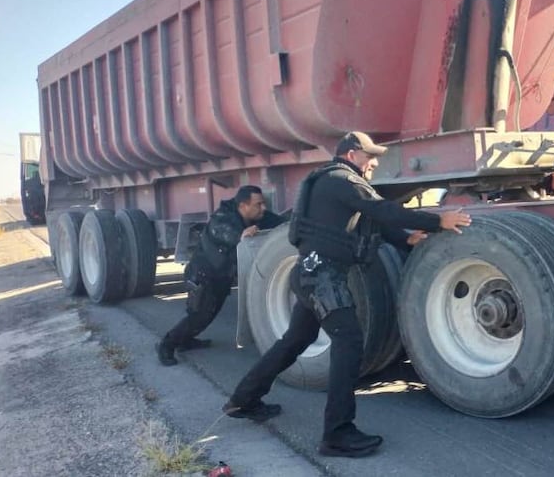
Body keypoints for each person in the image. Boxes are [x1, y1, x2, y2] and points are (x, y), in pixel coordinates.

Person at [222, 131, 472, 459]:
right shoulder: (343, 180)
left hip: (310, 274)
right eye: (371, 157)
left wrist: (404, 240)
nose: (374, 164)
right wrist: (438, 220)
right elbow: (382, 210)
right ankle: (337, 433)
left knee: (295, 341)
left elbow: (367, 220)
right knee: (349, 342)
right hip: (324, 277)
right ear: (353, 154)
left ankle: (244, 399)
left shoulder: (329, 182)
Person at [157, 185, 285, 366]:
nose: (263, 208)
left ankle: (186, 341)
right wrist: (242, 235)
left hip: (220, 277)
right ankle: (166, 346)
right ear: (243, 205)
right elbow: (225, 232)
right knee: (198, 316)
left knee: (207, 316)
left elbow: (280, 222)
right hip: (202, 277)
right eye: (258, 204)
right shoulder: (222, 217)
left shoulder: (254, 216)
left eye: (263, 204)